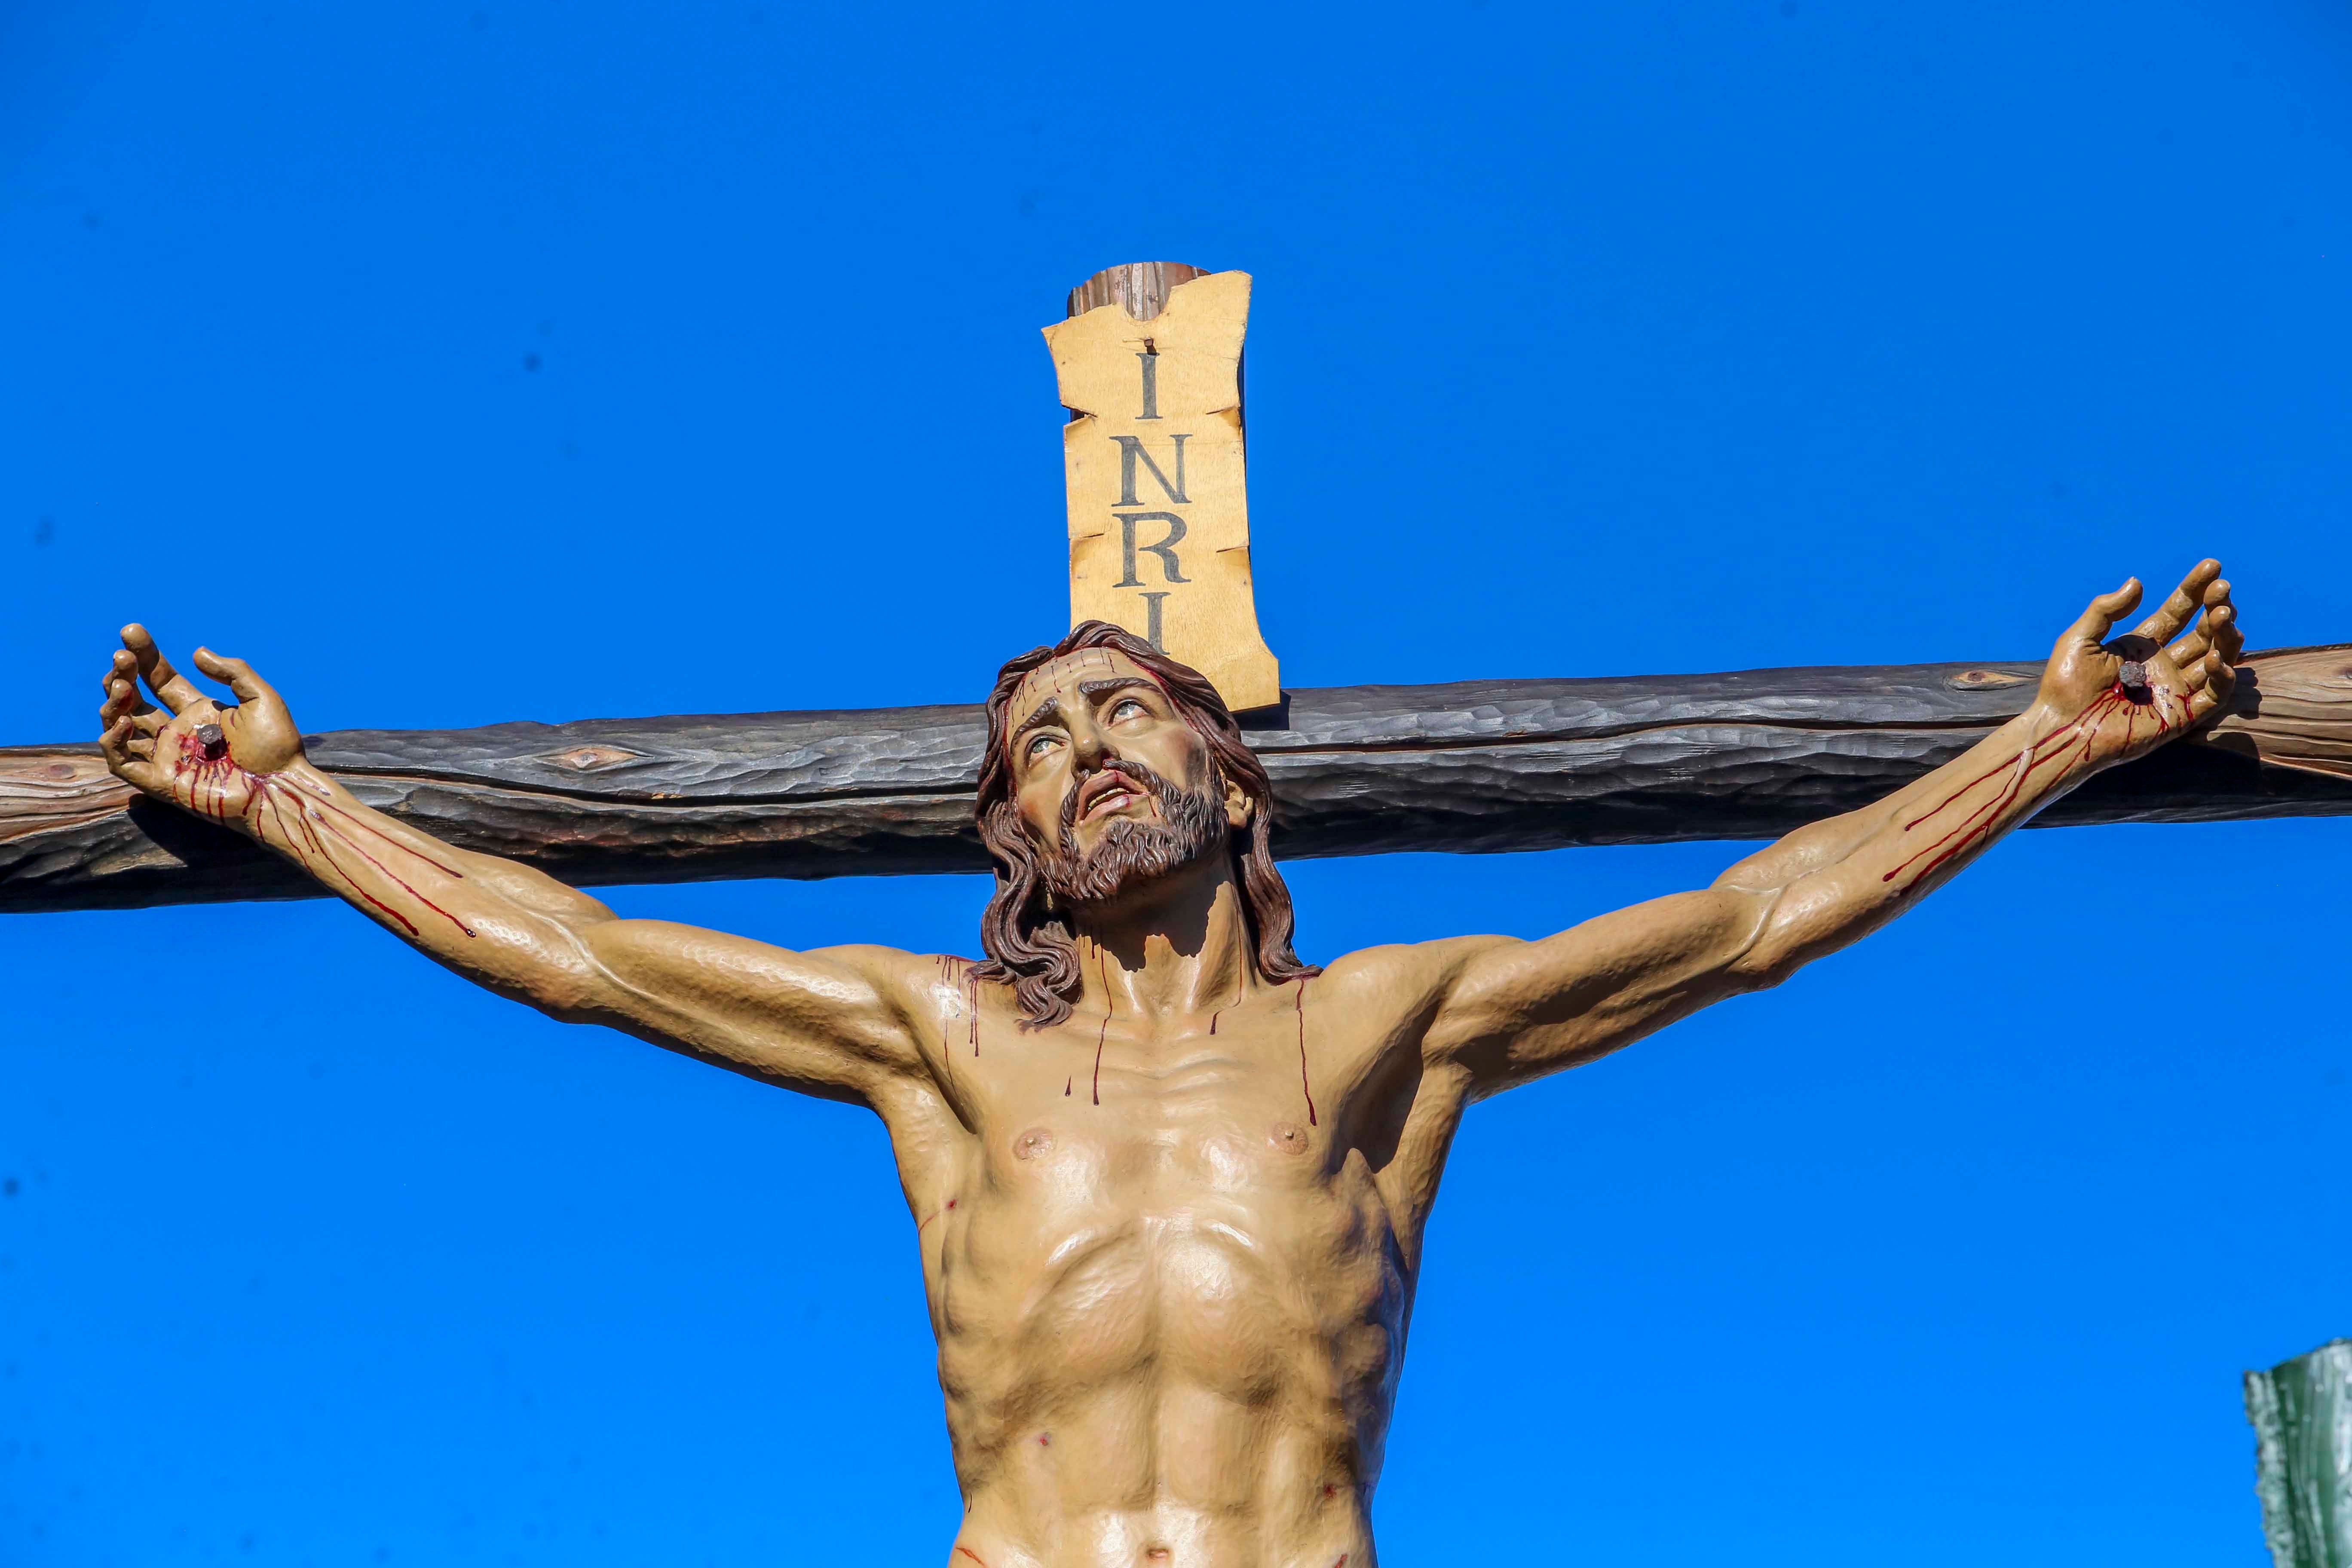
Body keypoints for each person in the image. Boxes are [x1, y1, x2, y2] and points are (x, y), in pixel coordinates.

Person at [96, 563, 2241, 1568]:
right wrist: (291, 806)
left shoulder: (1387, 1031)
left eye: (1124, 717)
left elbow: (1758, 917)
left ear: (1231, 782)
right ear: (1013, 842)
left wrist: (2048, 741)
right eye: (1038, 746)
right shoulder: (940, 1047)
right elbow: (572, 949)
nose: (1082, 753)